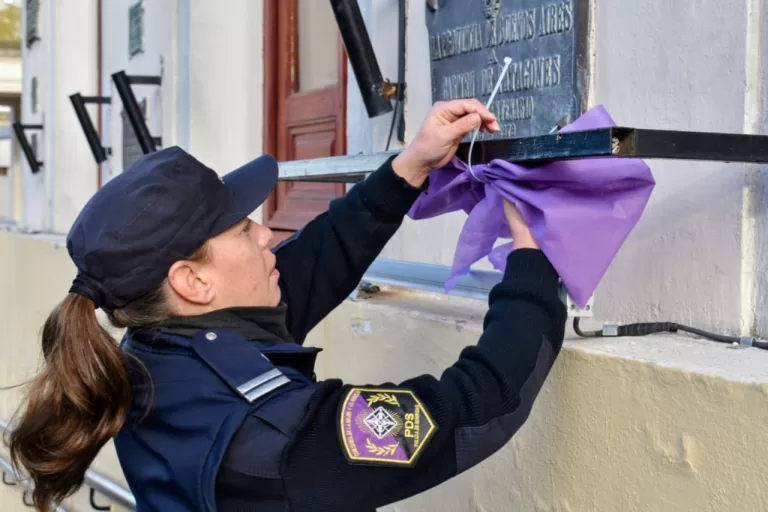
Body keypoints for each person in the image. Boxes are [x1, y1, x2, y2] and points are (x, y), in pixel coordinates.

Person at [8, 99, 566, 512]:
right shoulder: (275, 437)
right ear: (192, 282)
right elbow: (477, 408)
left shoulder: (156, 353)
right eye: (241, 228)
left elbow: (315, 262)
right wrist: (535, 260)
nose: (268, 234)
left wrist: (410, 167)